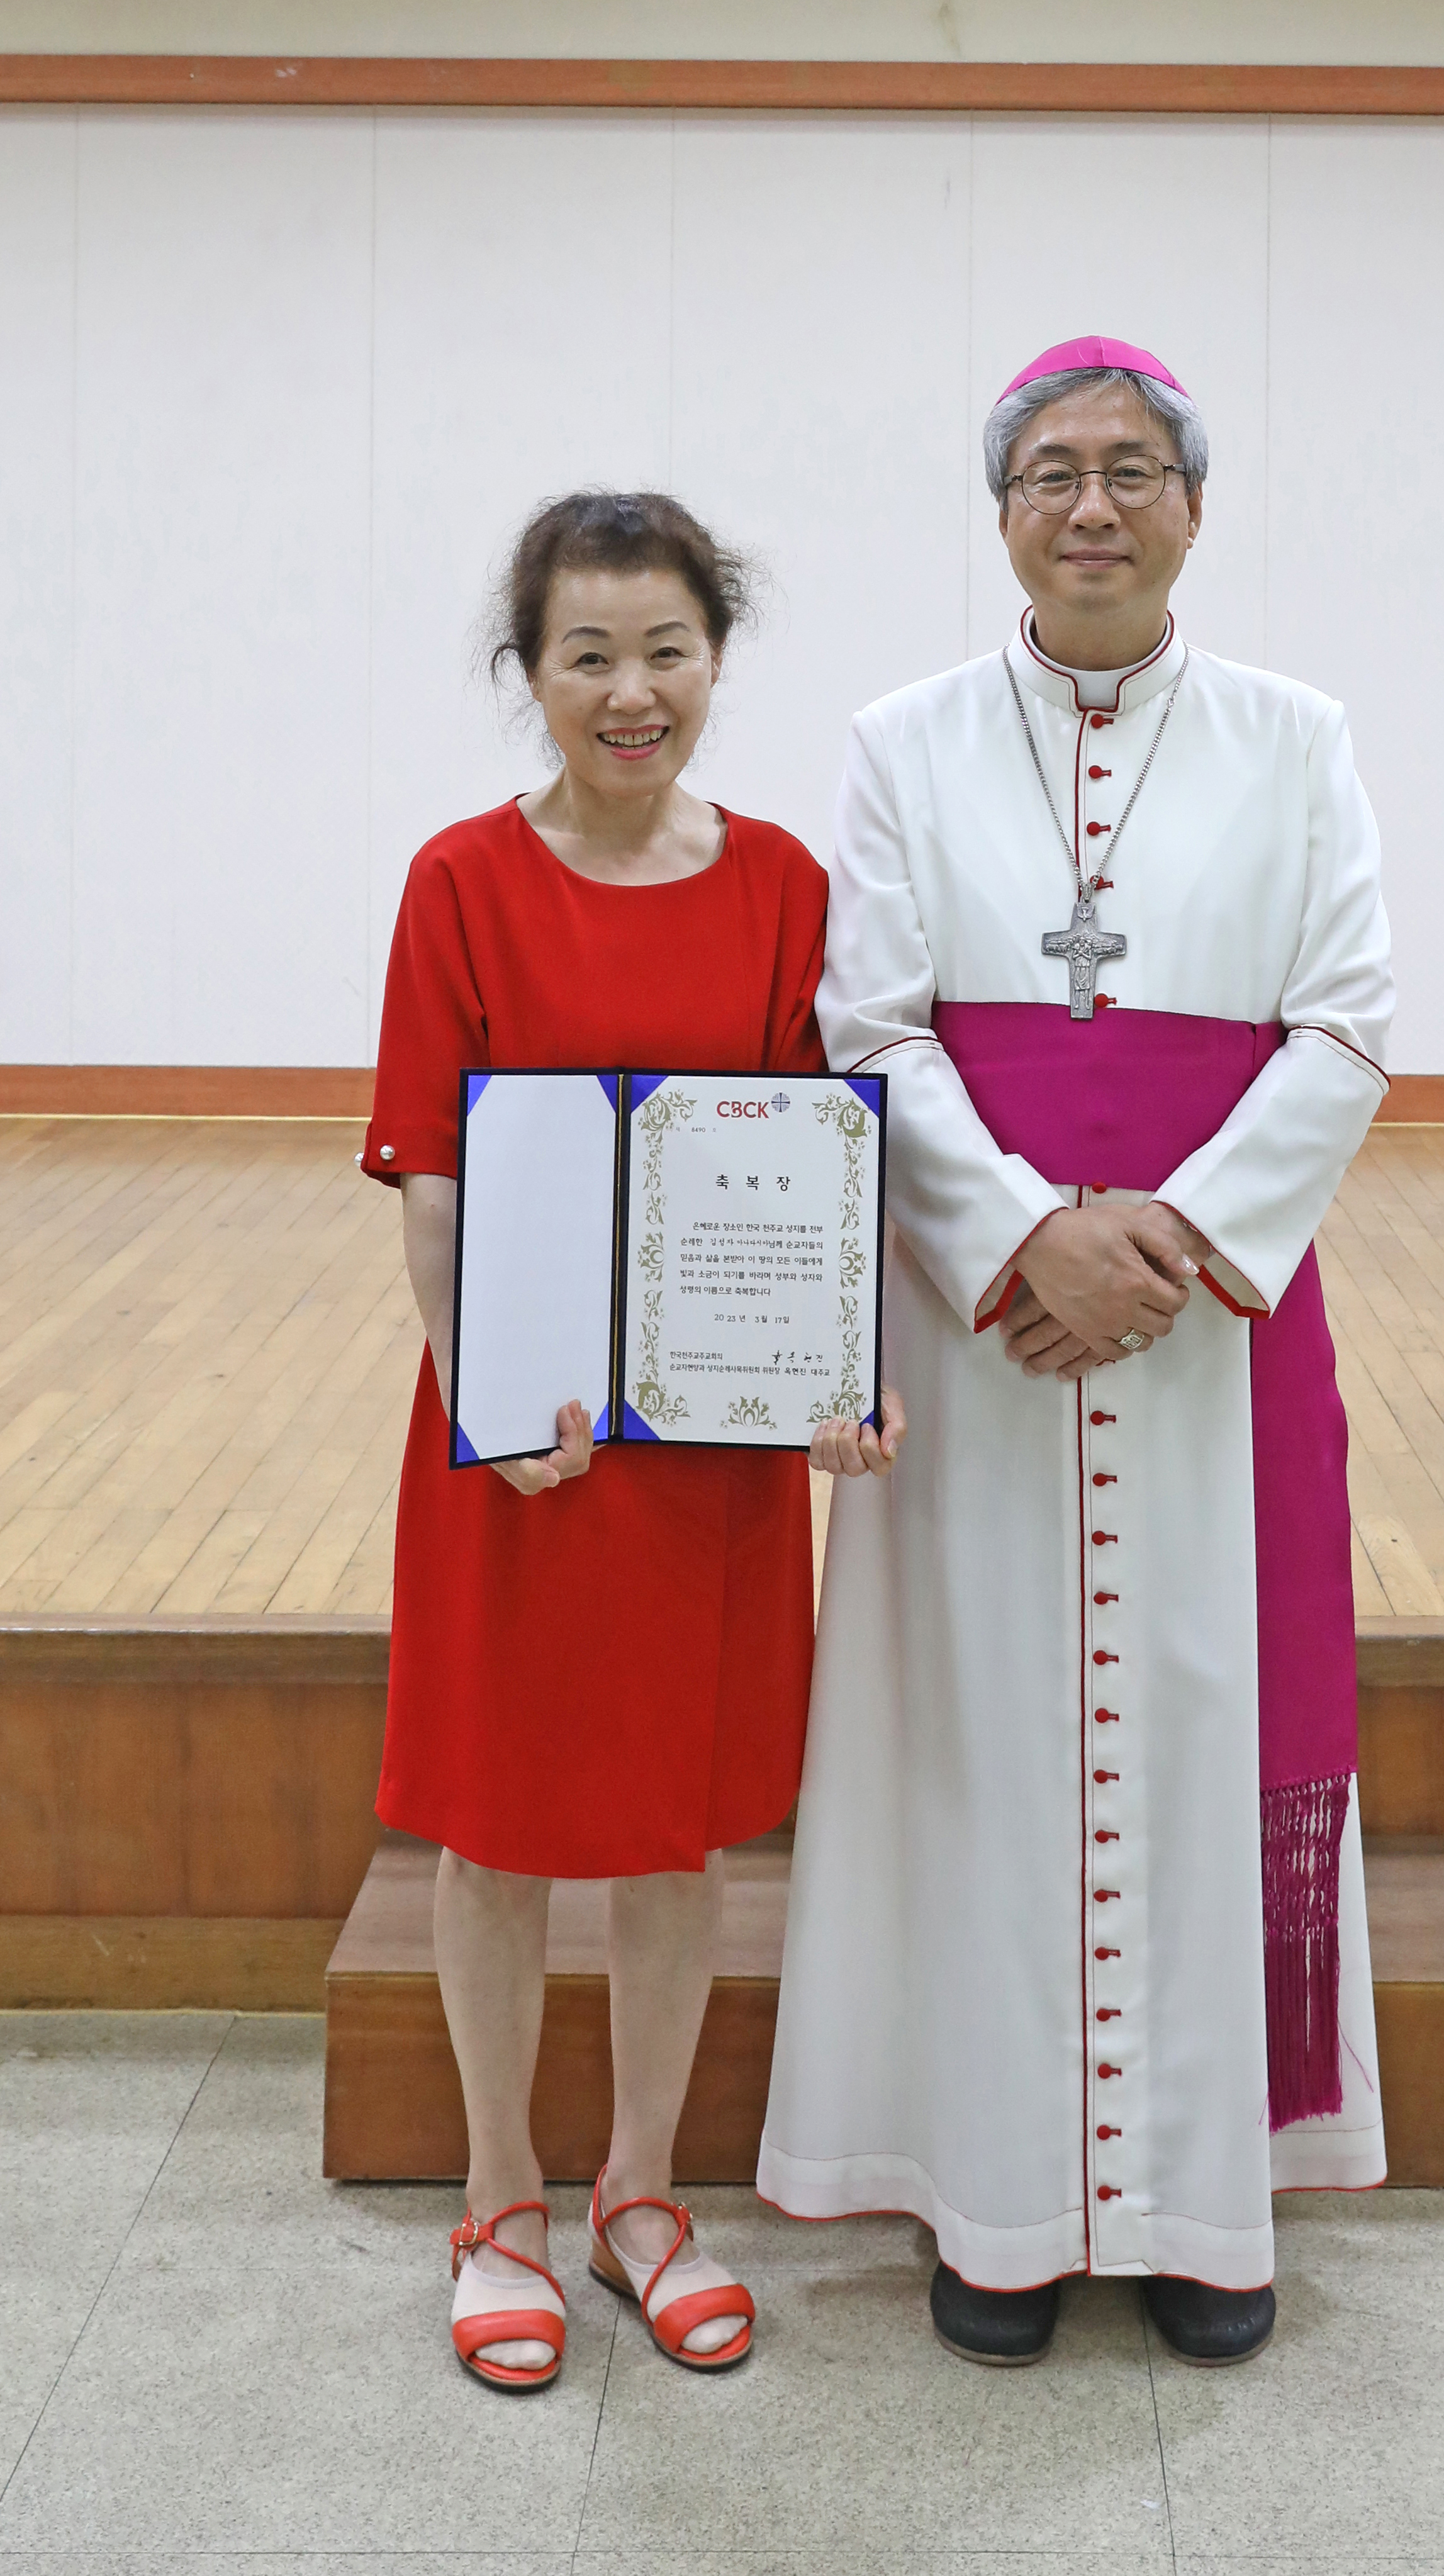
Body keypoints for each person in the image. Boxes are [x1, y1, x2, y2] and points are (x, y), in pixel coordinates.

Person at [758, 335, 1394, 2366]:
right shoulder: (905, 740)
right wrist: (1029, 1229)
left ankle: (1213, 2215)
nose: (1094, 504)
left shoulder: (1299, 740)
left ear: (1196, 504)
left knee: (1211, 1734)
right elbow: (871, 1026)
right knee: (986, 1752)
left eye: (1133, 469)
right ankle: (1000, 2212)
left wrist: (1174, 1236)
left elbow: (1350, 1018)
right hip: (991, 1340)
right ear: (1003, 511)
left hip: (1210, 1339)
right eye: (1052, 471)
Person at [362, 490, 902, 2390]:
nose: (629, 688)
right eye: (586, 652)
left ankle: (644, 2194)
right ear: (529, 674)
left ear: (716, 663)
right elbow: (429, 1175)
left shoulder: (781, 886)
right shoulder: (457, 882)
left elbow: (820, 1167)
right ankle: (502, 2199)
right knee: (498, 1833)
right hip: (524, 1447)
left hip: (710, 1456)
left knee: (677, 1843)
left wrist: (845, 1369)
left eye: (664, 648)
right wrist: (483, 1393)